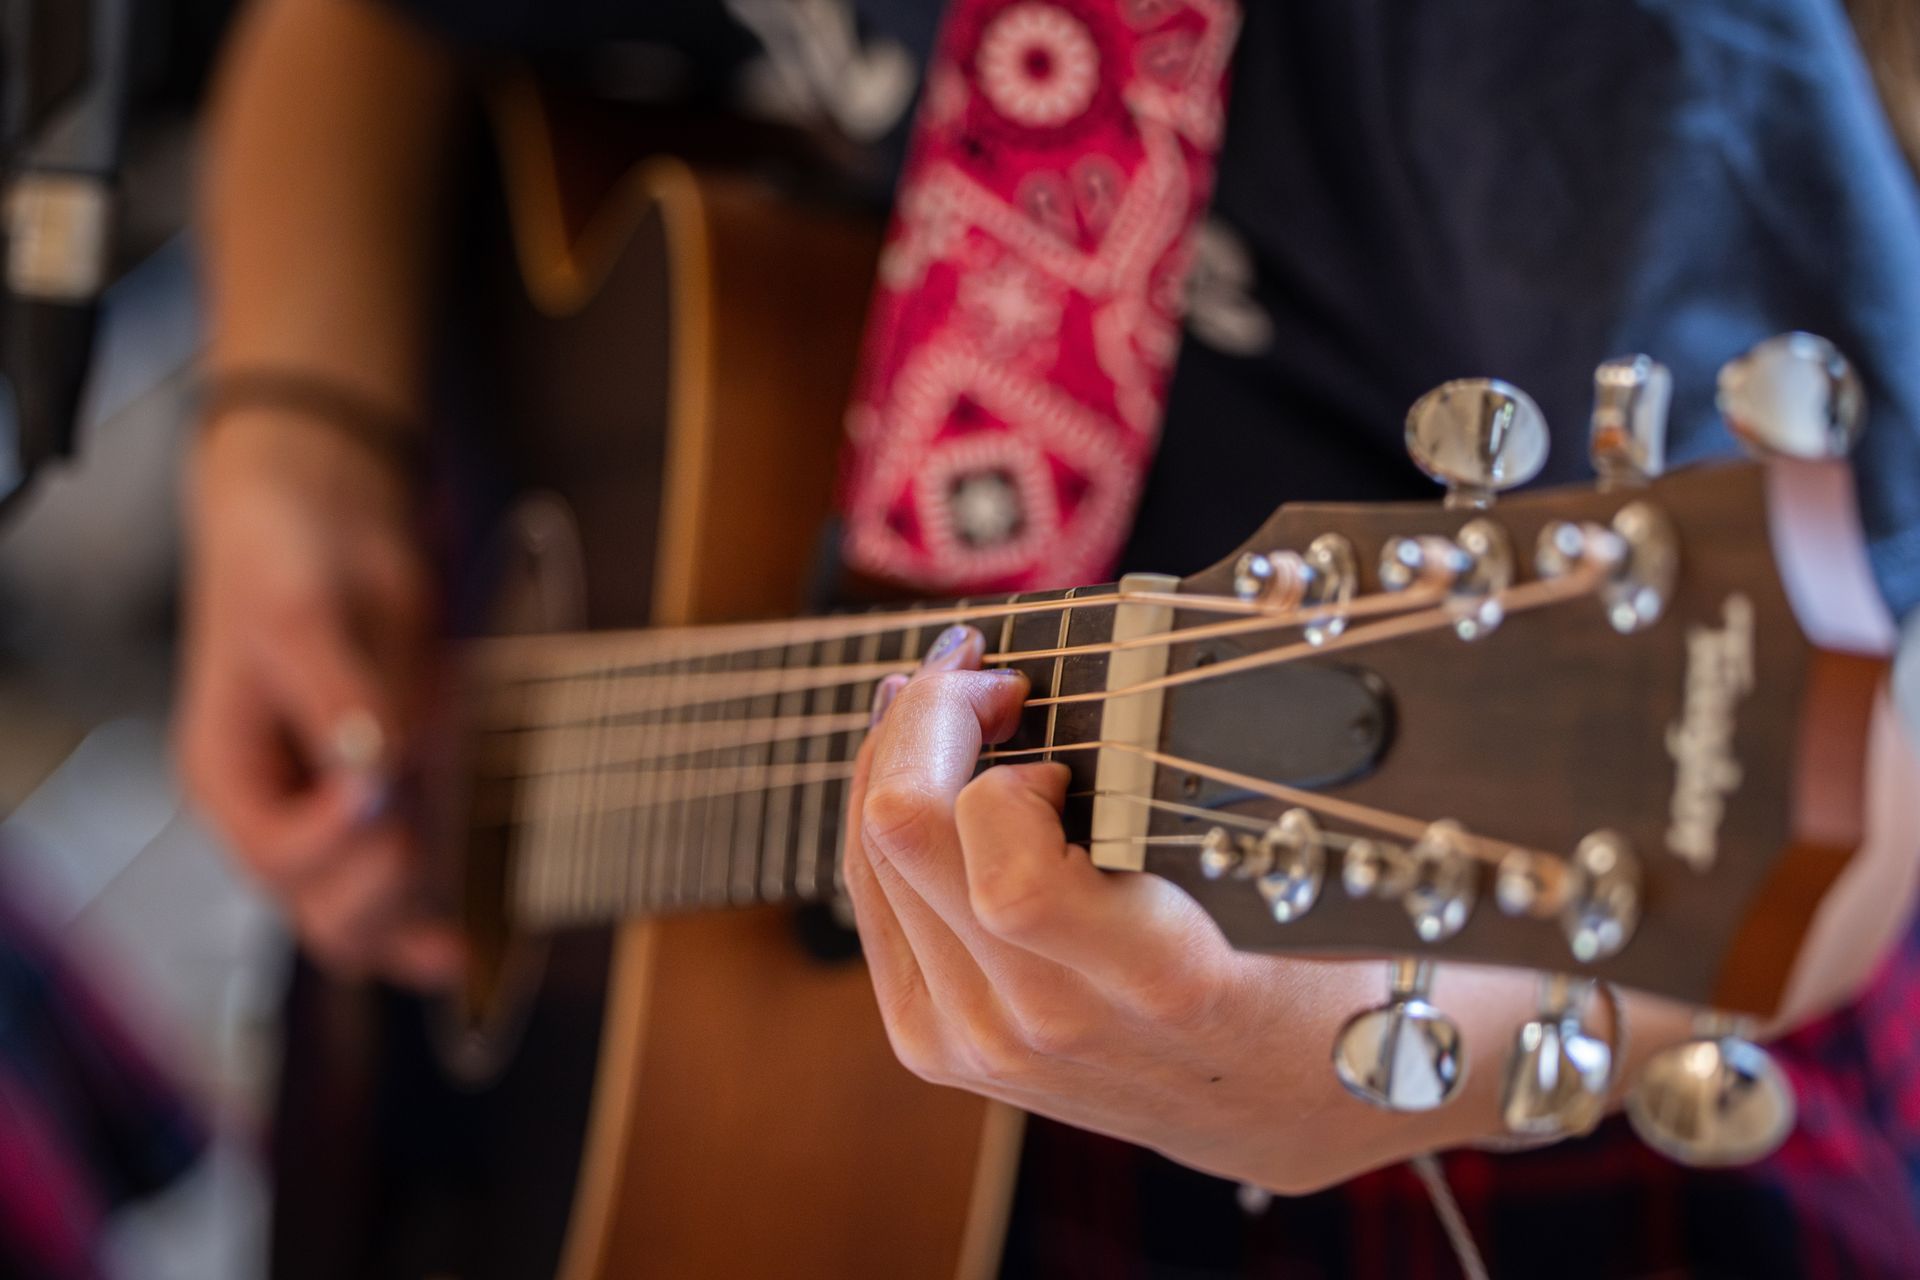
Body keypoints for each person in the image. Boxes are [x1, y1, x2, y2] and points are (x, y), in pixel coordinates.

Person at [179, 0, 1920, 1273]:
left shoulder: (1584, 55)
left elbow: (1848, 789)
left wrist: (1359, 1062)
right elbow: (355, 30)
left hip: (1419, 1077)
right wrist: (296, 432)